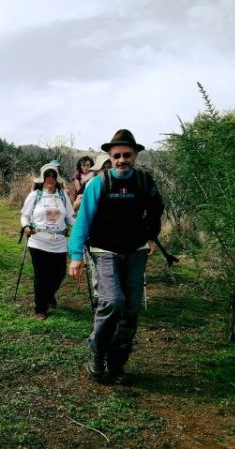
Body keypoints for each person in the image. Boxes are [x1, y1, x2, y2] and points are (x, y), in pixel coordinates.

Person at [68, 129, 164, 385]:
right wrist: (76, 255)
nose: (122, 159)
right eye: (117, 155)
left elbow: (156, 210)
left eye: (127, 155)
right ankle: (97, 354)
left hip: (135, 252)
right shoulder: (99, 183)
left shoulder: (144, 182)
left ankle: (117, 364)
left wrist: (152, 236)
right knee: (112, 301)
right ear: (110, 156)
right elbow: (83, 220)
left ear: (136, 156)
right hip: (104, 251)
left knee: (131, 310)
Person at [20, 161, 75, 320]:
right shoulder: (35, 195)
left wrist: (80, 227)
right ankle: (40, 308)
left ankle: (48, 295)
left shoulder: (63, 196)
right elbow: (24, 215)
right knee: (41, 275)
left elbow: (70, 217)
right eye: (48, 175)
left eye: (53, 175)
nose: (50, 178)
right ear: (43, 178)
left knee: (59, 274)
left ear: (57, 178)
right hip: (38, 241)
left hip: (58, 242)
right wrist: (25, 227)